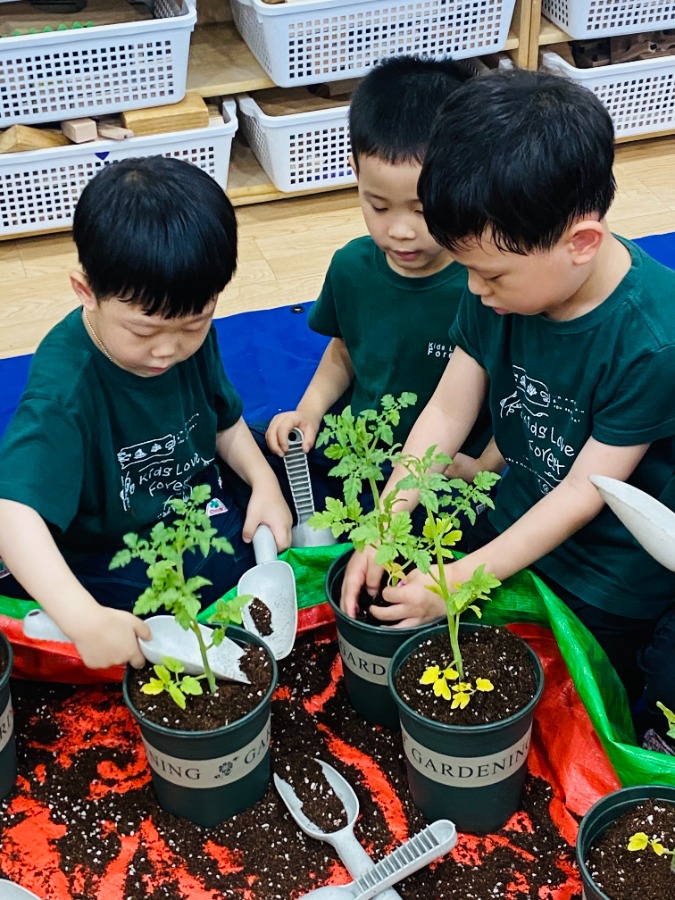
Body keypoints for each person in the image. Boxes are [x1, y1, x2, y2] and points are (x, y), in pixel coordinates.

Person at [340, 68, 675, 749]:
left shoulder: (651, 337)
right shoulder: (494, 280)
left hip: (604, 574)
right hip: (512, 513)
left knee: (571, 715)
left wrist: (460, 579)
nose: (473, 289)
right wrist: (390, 514)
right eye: (466, 267)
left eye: (490, 275)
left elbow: (586, 492)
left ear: (579, 242)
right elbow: (444, 410)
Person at [0, 156, 292, 672]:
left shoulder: (183, 330)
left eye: (195, 324)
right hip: (110, 547)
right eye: (142, 331)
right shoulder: (66, 387)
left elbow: (223, 420)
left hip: (196, 514)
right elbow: (12, 513)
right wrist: (83, 618)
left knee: (259, 551)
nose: (169, 351)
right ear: (86, 292)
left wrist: (263, 482)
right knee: (130, 621)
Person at [263, 55, 499, 516]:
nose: (400, 230)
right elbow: (345, 351)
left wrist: (483, 465)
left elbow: (514, 387)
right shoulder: (352, 267)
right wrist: (308, 411)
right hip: (361, 458)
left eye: (420, 209)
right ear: (355, 173)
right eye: (378, 205)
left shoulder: (489, 285)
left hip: (443, 472)